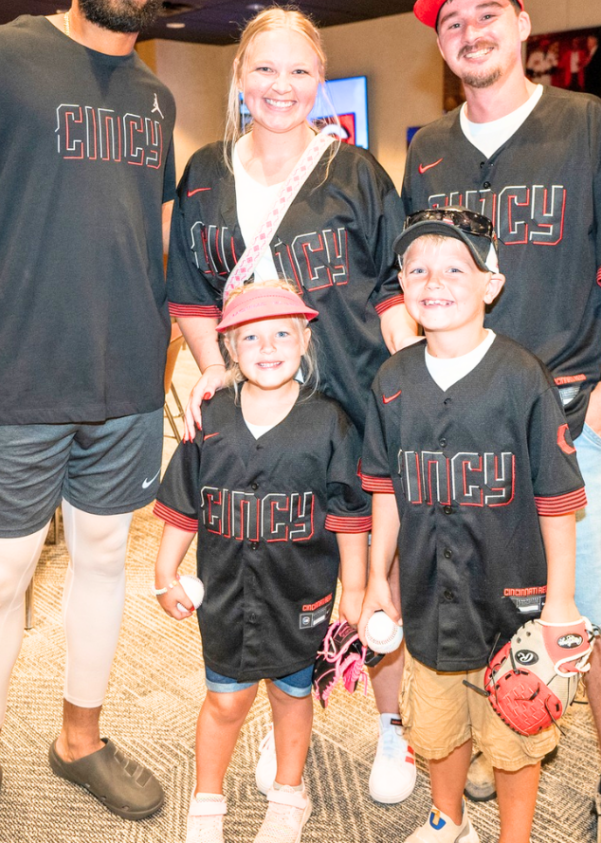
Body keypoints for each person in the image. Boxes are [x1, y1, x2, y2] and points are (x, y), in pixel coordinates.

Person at [0, 0, 181, 841]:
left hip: (124, 387)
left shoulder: (158, 99)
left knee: (99, 566)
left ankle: (78, 741)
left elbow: (154, 241)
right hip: (12, 385)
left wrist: (175, 359)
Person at [165, 6, 421, 805]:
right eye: (265, 69)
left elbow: (390, 288)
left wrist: (411, 385)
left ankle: (388, 730)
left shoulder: (355, 173)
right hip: (254, 411)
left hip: (352, 398)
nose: (281, 85)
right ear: (239, 77)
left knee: (371, 581)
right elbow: (191, 293)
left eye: (299, 70)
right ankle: (264, 722)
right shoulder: (205, 171)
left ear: (319, 79)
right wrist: (216, 378)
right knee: (261, 564)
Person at [403, 0, 601, 840]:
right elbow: (414, 276)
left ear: (525, 25)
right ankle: (498, 740)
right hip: (464, 416)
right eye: (452, 22)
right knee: (484, 595)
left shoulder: (587, 124)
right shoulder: (426, 147)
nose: (471, 31)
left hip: (571, 406)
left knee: (590, 610)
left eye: (488, 12)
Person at [358, 209, 586, 843]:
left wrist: (562, 603)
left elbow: (558, 499)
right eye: (418, 269)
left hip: (512, 601)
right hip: (430, 596)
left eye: (456, 267)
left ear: (491, 284)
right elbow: (387, 492)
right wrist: (379, 577)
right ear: (401, 286)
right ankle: (447, 819)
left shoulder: (522, 378)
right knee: (436, 727)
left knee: (514, 734)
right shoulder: (392, 381)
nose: (435, 282)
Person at [154, 281, 370, 843]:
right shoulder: (210, 418)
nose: (267, 346)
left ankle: (289, 795)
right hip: (226, 593)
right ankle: (206, 802)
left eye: (282, 333)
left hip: (302, 593)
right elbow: (183, 504)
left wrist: (356, 587)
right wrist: (162, 572)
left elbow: (349, 514)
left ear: (305, 340)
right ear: (229, 348)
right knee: (225, 700)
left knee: (293, 694)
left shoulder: (330, 423)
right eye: (251, 336)